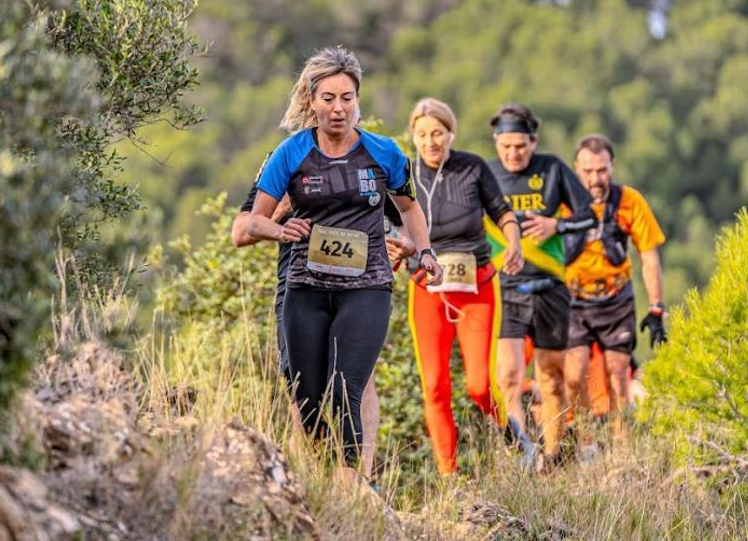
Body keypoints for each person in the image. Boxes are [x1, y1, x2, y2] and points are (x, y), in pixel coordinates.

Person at [247, 47, 442, 475]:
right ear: (312, 101)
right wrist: (281, 230)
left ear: (358, 101)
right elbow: (252, 222)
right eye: (329, 98)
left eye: (347, 98)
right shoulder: (290, 153)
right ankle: (323, 480)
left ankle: (354, 481)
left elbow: (409, 209)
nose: (338, 108)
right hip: (305, 287)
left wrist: (422, 249)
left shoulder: (385, 152)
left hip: (366, 285)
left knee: (345, 387)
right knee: (308, 397)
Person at [232, 154, 397, 478]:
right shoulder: (284, 160)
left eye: (345, 100)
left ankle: (358, 482)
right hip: (298, 288)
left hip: (357, 285)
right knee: (301, 392)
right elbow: (241, 232)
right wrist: (283, 208)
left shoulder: (367, 155)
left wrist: (401, 244)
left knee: (359, 385)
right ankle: (313, 482)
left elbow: (401, 217)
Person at [401, 98, 523, 475]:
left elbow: (503, 213)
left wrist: (514, 242)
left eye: (437, 133)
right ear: (414, 137)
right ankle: (448, 476)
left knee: (478, 385)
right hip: (427, 290)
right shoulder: (404, 174)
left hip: (477, 288)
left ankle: (512, 433)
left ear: (451, 133)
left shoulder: (473, 167)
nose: (430, 142)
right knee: (435, 386)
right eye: (422, 135)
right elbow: (391, 224)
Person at [486, 103, 595, 471]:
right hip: (506, 288)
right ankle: (522, 457)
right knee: (509, 377)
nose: (513, 153)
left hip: (550, 287)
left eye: (521, 146)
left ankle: (551, 457)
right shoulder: (487, 173)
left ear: (533, 142)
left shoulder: (552, 169)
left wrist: (556, 227)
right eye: (506, 146)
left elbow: (589, 215)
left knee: (550, 376)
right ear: (496, 141)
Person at [563, 134, 667, 442]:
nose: (595, 179)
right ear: (575, 169)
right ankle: (586, 445)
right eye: (588, 171)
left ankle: (622, 451)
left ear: (612, 166)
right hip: (574, 299)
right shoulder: (563, 202)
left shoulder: (628, 201)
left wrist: (657, 307)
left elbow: (649, 256)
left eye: (602, 170)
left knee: (619, 376)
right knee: (574, 377)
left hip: (616, 299)